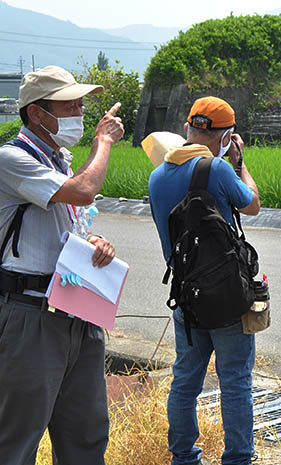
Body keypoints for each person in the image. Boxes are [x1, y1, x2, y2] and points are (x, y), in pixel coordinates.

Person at [0, 65, 124, 464]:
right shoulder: (11, 159)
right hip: (29, 314)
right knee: (17, 437)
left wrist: (93, 243)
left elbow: (67, 223)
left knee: (86, 434)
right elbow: (84, 192)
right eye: (68, 106)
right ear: (37, 114)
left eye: (80, 105)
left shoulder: (61, 159)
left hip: (76, 308)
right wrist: (103, 143)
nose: (79, 113)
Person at [148, 96, 261, 465]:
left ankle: (183, 457)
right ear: (226, 136)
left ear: (187, 129)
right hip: (227, 298)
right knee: (235, 382)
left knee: (185, 381)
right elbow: (252, 204)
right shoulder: (217, 168)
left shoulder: (156, 176)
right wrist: (240, 164)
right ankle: (238, 459)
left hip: (186, 297)